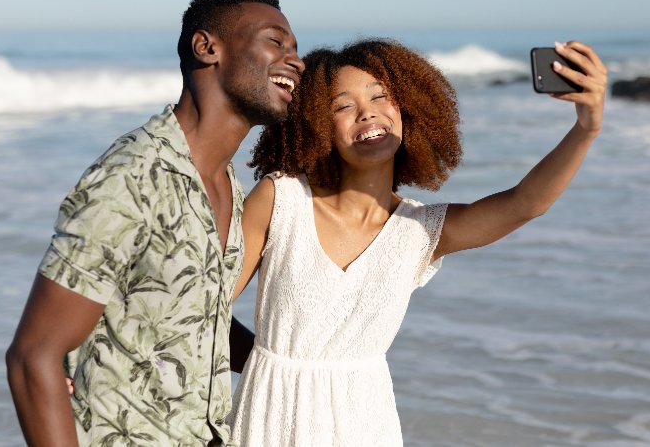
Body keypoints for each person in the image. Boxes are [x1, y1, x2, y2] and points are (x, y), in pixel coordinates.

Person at [227, 38, 607, 446]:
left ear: (407, 111)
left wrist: (586, 128)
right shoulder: (281, 199)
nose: (367, 112)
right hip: (269, 414)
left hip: (364, 421)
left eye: (380, 97)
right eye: (343, 105)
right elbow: (205, 308)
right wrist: (264, 362)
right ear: (316, 124)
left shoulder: (419, 229)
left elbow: (525, 203)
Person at [5, 0, 304, 446]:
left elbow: (195, 323)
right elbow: (32, 358)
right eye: (275, 41)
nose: (296, 60)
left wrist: (299, 359)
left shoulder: (230, 188)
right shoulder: (132, 176)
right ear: (207, 48)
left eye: (295, 48)